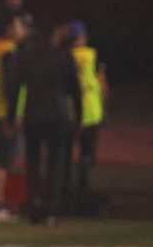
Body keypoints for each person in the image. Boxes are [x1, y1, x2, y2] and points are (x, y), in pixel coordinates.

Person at [11, 28, 81, 225]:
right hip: (58, 115)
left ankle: (34, 206)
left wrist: (11, 116)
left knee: (32, 163)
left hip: (32, 114)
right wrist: (79, 116)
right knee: (55, 164)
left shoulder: (26, 57)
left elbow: (15, 87)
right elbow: (75, 89)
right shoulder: (64, 56)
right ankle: (51, 209)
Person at [0, 13, 30, 221]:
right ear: (10, 28)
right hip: (3, 113)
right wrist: (12, 117)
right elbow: (12, 87)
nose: (23, 30)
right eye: (21, 25)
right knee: (2, 160)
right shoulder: (9, 52)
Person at [68, 21, 106, 214]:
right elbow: (102, 82)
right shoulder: (92, 54)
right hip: (92, 111)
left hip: (72, 112)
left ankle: (70, 191)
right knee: (87, 155)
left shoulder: (66, 56)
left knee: (68, 153)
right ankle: (84, 192)